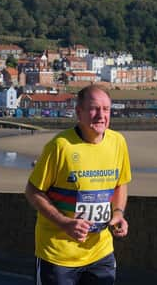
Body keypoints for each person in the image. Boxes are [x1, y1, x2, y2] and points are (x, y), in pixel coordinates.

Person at [25, 85, 131, 285]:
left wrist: (118, 214)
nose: (101, 115)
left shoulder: (118, 142)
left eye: (106, 109)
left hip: (101, 253)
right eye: (94, 108)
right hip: (58, 255)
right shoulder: (60, 146)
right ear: (79, 112)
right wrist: (65, 223)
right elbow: (33, 191)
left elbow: (120, 184)